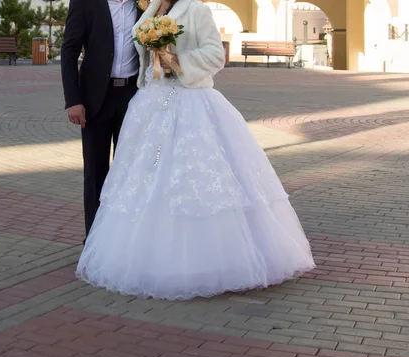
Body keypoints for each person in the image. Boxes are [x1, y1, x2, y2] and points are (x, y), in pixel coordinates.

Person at [76, 0, 315, 301]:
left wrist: (177, 61)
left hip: (190, 102)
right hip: (151, 104)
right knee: (147, 180)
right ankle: (147, 254)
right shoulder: (150, 10)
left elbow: (217, 54)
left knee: (190, 181)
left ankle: (203, 261)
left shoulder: (197, 10)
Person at [61, 0, 143, 240]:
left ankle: (123, 238)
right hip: (95, 99)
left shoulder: (143, 5)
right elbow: (69, 50)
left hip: (134, 97)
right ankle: (95, 239)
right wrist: (73, 100)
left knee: (128, 170)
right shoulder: (86, 3)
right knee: (96, 171)